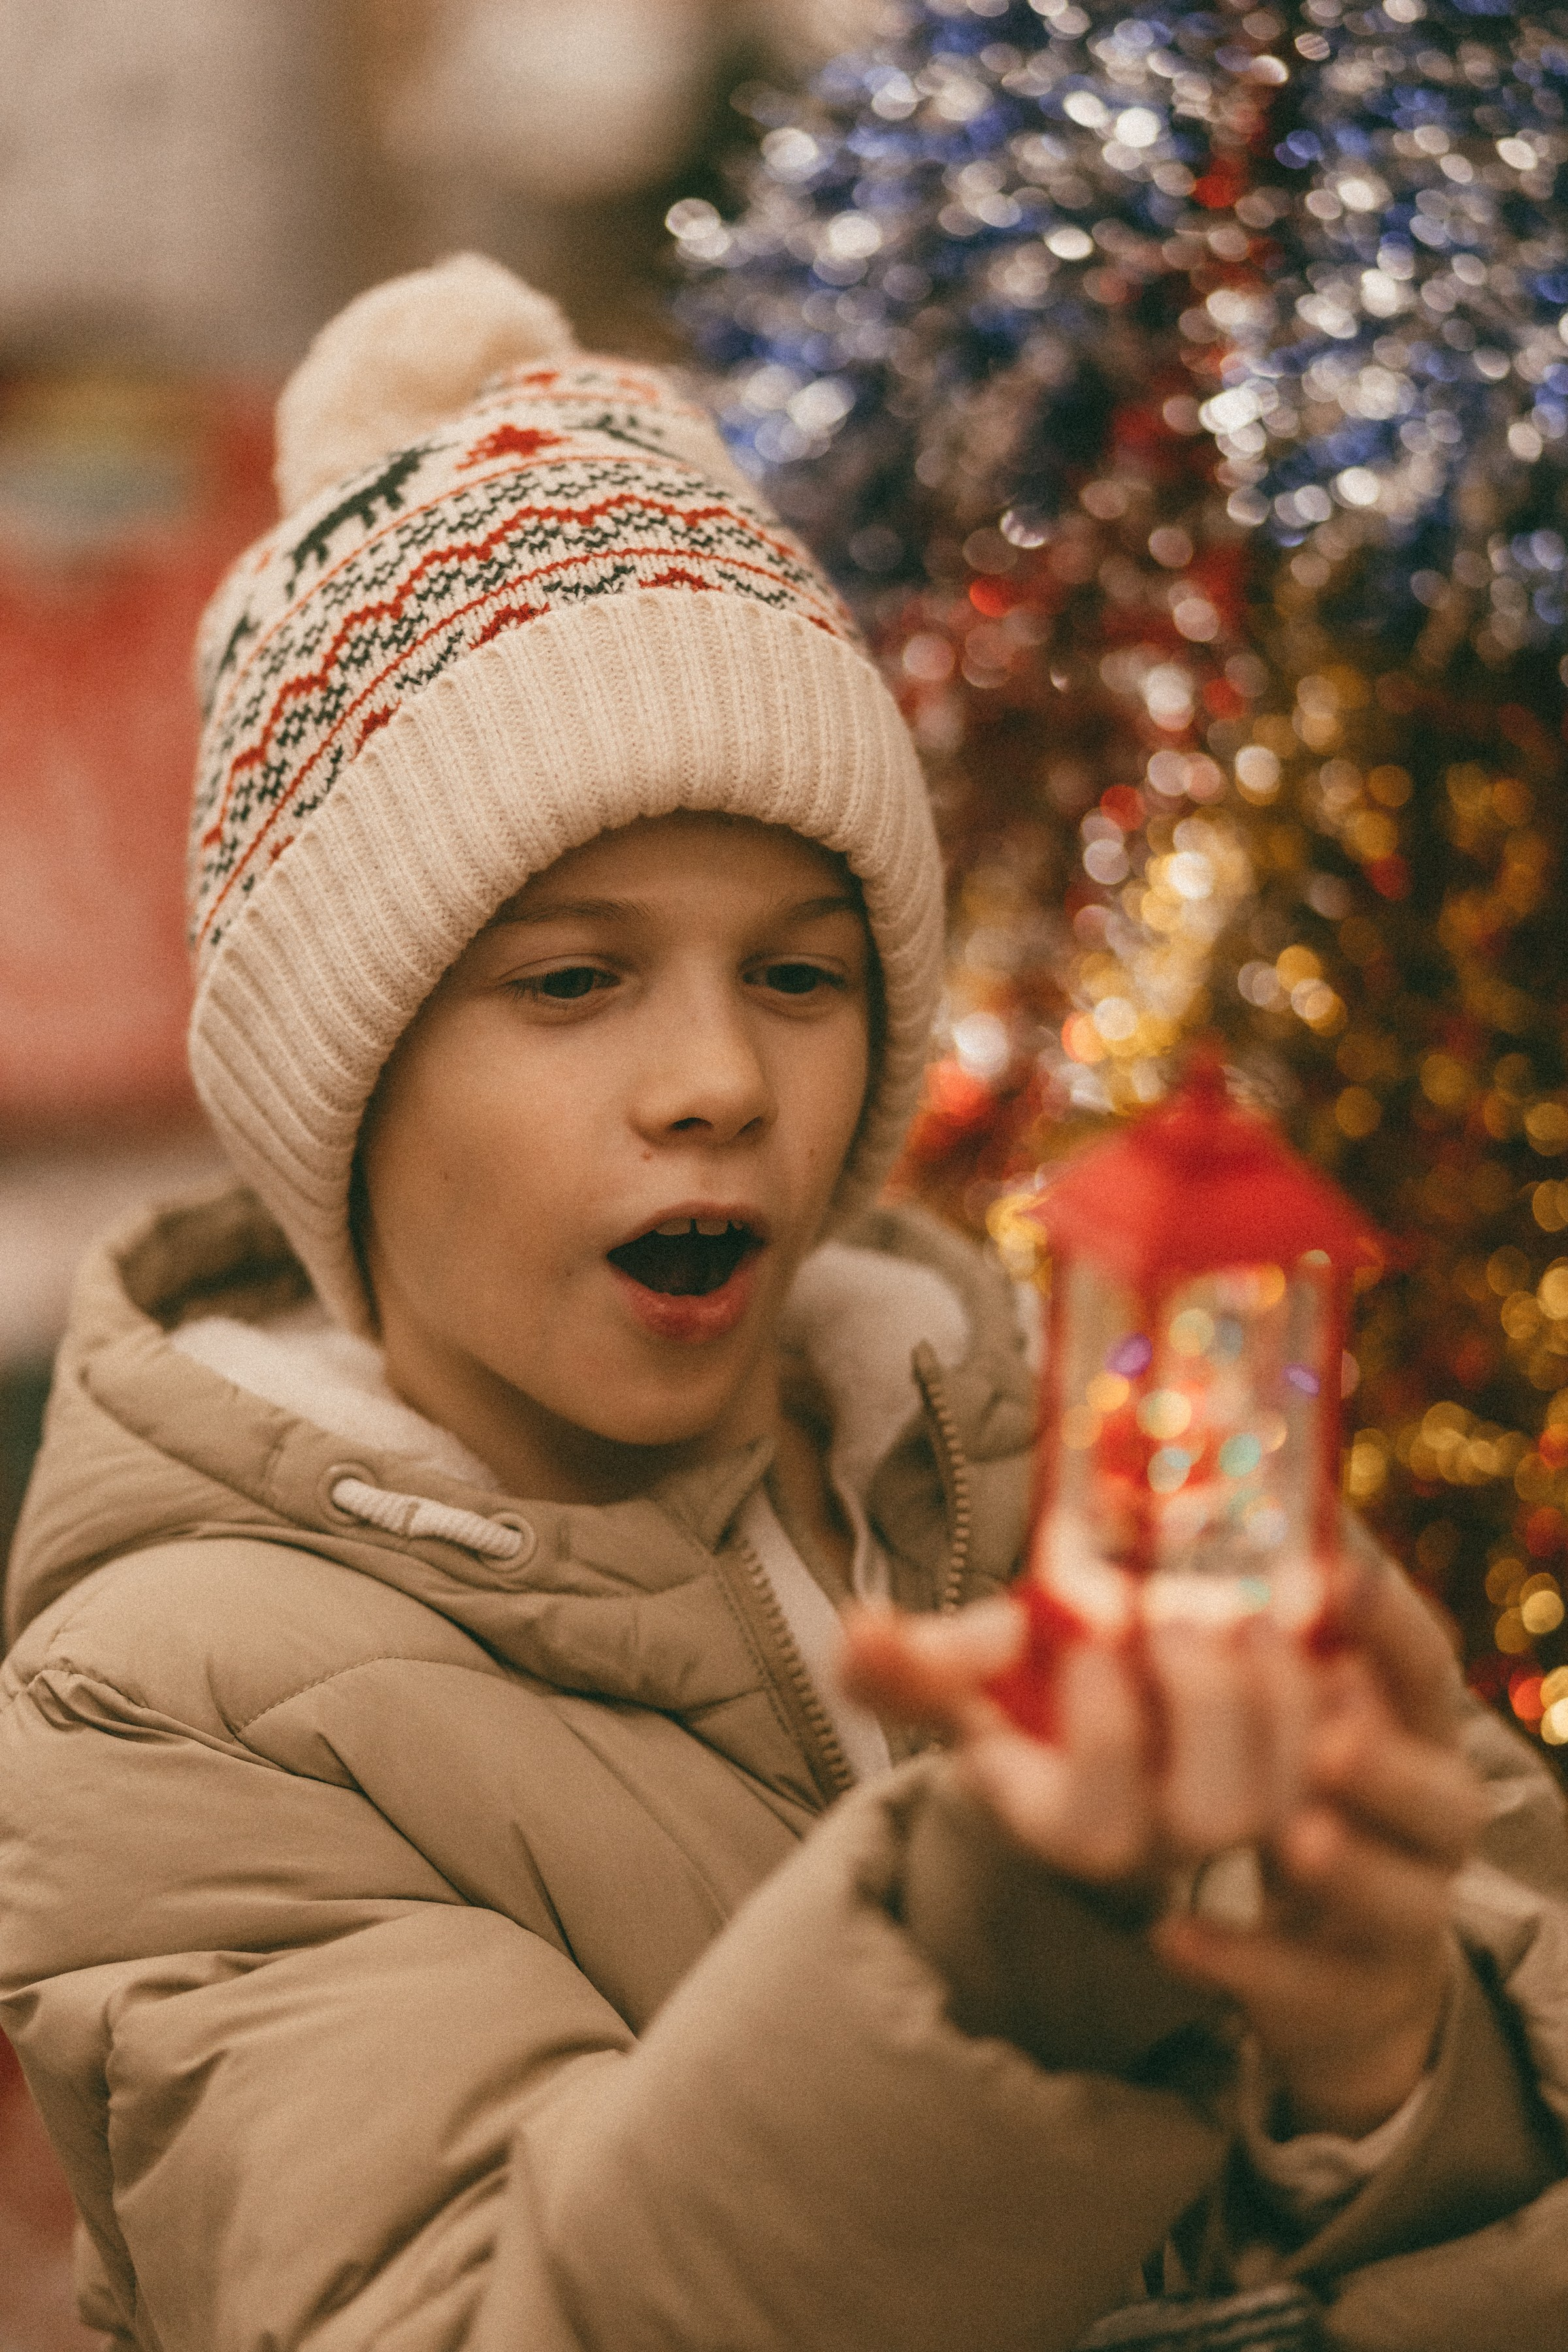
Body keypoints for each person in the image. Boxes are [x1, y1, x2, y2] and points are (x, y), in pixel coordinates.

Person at [1, 255, 1565, 2352]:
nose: (722, 1080)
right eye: (571, 980)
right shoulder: (180, 1701)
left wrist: (1405, 2054)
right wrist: (991, 1968)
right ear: (343, 1088)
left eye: (801, 977)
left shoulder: (1060, 1464)